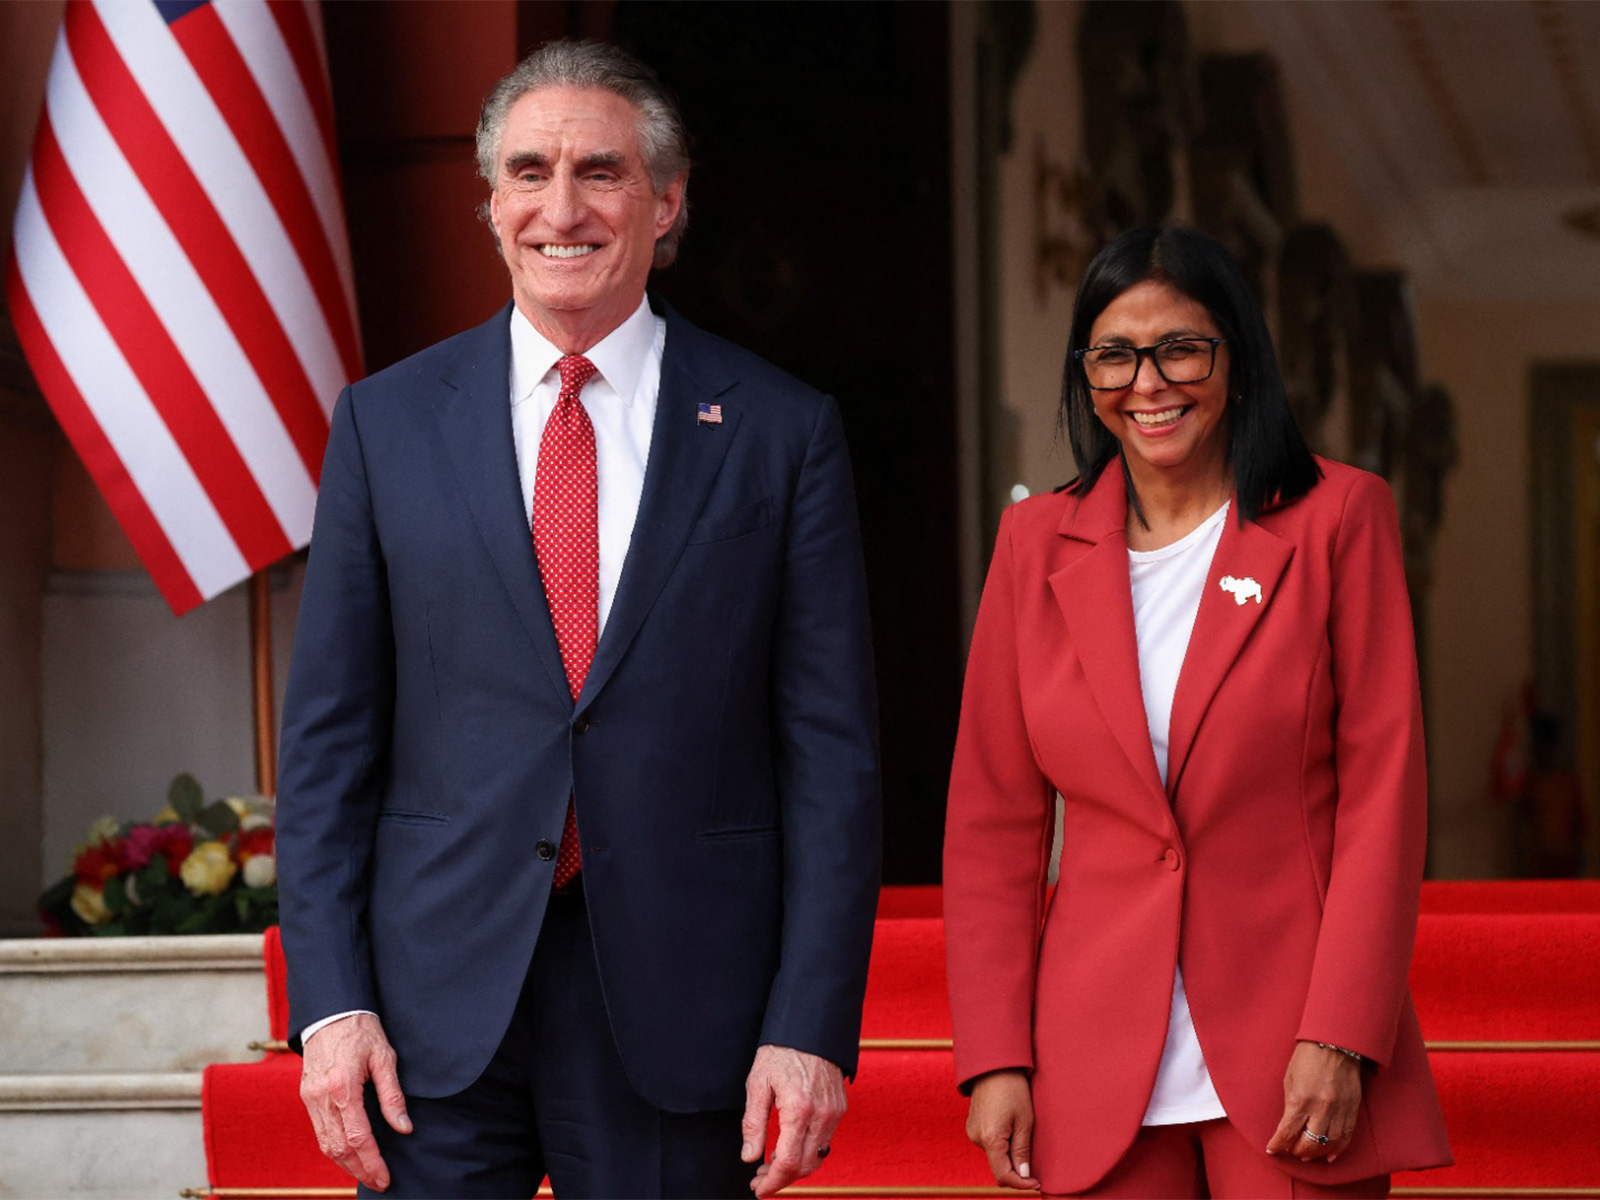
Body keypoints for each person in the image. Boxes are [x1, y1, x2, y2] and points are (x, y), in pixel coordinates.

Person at [275, 39, 881, 1200]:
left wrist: (809, 1025)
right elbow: (327, 749)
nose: (563, 208)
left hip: (684, 1005)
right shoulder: (384, 425)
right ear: (490, 203)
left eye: (600, 172)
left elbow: (831, 759)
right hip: (429, 1018)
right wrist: (333, 1004)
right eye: (528, 172)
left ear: (666, 202)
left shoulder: (778, 430)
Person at [943, 226, 1452, 1198]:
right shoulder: (1031, 543)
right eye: (1114, 354)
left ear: (1236, 357)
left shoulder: (1338, 518)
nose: (1148, 382)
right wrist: (996, 1055)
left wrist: (1343, 1032)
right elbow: (991, 823)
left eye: (1181, 347)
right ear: (1084, 373)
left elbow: (1381, 797)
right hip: (1090, 1057)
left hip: (1289, 1040)